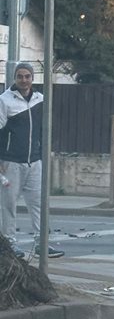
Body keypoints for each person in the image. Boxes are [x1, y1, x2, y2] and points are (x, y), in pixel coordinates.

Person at [0, 63, 64, 258]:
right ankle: (9, 245)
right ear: (14, 78)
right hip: (11, 162)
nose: (24, 80)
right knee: (8, 204)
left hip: (35, 162)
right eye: (20, 76)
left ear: (32, 78)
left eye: (27, 76)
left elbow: (44, 130)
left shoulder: (40, 100)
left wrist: (44, 155)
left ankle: (41, 243)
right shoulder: (4, 101)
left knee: (38, 203)